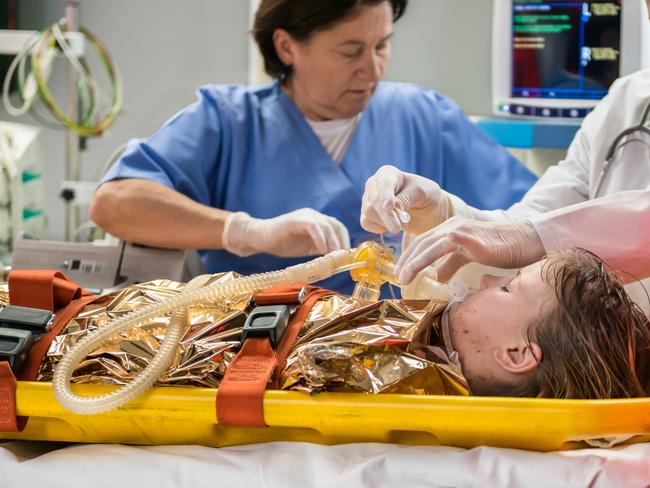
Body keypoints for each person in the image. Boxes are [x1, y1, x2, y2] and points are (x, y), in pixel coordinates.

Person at [89, 0, 535, 294]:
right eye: (350, 52)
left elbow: (536, 224)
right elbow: (115, 202)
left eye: (382, 46)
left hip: (409, 359)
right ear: (287, 46)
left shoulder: (425, 118)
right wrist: (245, 232)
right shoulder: (228, 122)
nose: (372, 70)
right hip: (262, 361)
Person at [361, 61, 650, 287]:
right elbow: (533, 221)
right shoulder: (628, 101)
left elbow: (534, 236)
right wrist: (443, 214)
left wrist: (535, 239)